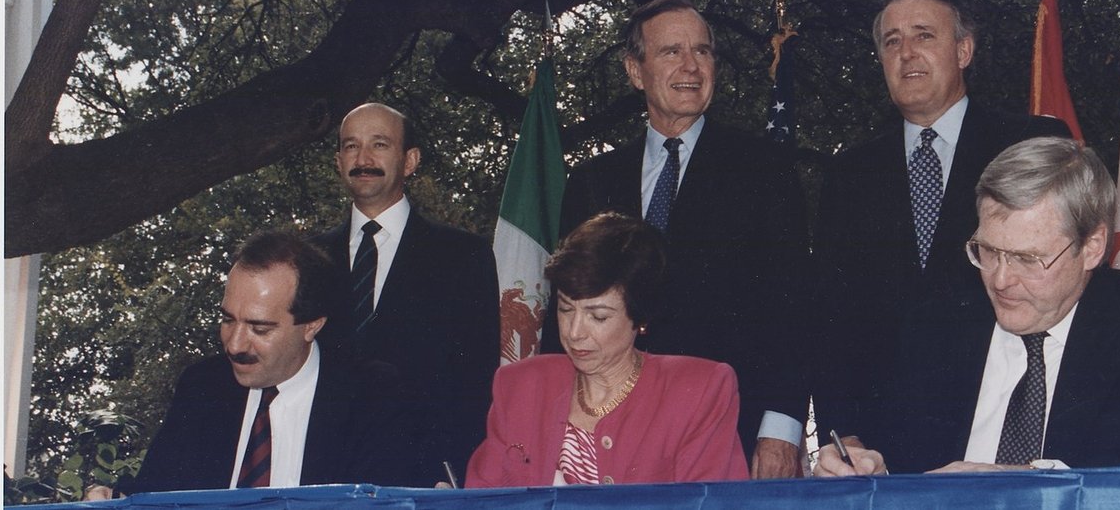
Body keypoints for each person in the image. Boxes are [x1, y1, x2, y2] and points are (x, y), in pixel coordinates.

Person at [814, 137, 1120, 475]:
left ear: (1093, 247)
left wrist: (1029, 481)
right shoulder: (935, 325)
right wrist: (869, 467)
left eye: (1027, 258)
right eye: (987, 251)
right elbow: (890, 456)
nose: (1001, 280)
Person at [545, 0, 810, 478]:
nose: (691, 66)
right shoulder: (592, 181)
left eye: (703, 51)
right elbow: (565, 306)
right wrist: (549, 422)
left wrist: (781, 428)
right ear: (634, 70)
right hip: (606, 430)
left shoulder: (765, 169)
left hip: (727, 428)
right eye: (671, 52)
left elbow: (792, 305)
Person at [812, 0, 1071, 443]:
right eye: (892, 42)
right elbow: (832, 315)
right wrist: (841, 430)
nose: (907, 53)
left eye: (923, 36)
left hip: (1005, 422)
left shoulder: (1032, 143)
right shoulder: (848, 173)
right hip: (883, 438)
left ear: (964, 50)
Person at [115, 231, 414, 495]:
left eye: (260, 329)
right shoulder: (202, 386)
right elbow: (155, 494)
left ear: (312, 326)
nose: (235, 345)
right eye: (228, 320)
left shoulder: (371, 395)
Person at [468, 212, 748, 486]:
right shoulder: (519, 385)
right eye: (566, 309)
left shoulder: (699, 391)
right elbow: (483, 497)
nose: (574, 332)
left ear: (640, 318)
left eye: (598, 316)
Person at [314, 102, 499, 486]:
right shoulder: (307, 260)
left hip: (424, 477)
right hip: (321, 474)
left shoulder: (464, 255)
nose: (362, 158)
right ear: (338, 161)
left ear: (410, 160)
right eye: (351, 146)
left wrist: (456, 471)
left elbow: (476, 379)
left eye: (379, 145)